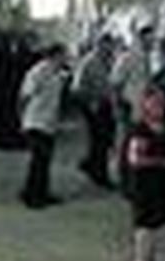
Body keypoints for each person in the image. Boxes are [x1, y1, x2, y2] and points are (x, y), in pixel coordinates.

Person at [123, 85, 165, 261]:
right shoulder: (139, 130)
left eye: (162, 103)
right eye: (155, 103)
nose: (160, 106)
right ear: (145, 104)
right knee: (144, 224)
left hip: (158, 183)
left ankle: (149, 260)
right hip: (143, 183)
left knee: (154, 223)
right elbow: (135, 160)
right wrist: (162, 162)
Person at [17, 44, 69, 207]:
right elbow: (24, 96)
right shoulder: (38, 71)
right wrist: (21, 119)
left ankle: (40, 192)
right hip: (35, 122)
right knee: (38, 162)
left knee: (44, 162)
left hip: (49, 123)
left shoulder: (58, 73)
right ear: (54, 56)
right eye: (63, 56)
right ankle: (33, 197)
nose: (65, 59)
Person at [72, 33, 119, 187]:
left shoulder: (110, 61)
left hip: (106, 105)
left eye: (111, 45)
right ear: (99, 45)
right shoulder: (89, 62)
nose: (110, 48)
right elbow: (77, 88)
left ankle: (92, 165)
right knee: (100, 141)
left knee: (103, 141)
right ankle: (100, 175)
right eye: (107, 45)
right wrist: (90, 102)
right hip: (94, 105)